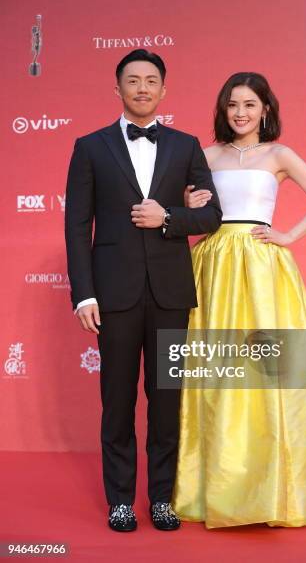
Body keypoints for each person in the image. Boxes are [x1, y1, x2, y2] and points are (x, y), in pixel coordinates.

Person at [171, 72, 306, 528]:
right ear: (223, 108)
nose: (240, 113)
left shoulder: (279, 154)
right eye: (233, 104)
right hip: (212, 264)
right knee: (215, 369)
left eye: (250, 105)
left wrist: (289, 234)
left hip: (262, 267)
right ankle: (217, 484)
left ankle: (278, 484)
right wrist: (191, 202)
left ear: (265, 109)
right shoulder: (205, 154)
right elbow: (190, 213)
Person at [65, 49, 222, 532]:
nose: (142, 88)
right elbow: (77, 225)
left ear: (163, 90)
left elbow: (211, 216)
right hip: (113, 295)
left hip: (171, 293)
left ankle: (160, 499)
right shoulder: (90, 147)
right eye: (132, 80)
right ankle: (119, 500)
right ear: (118, 89)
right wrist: (84, 295)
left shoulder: (186, 145)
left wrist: (170, 217)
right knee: (116, 401)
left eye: (151, 80)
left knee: (166, 399)